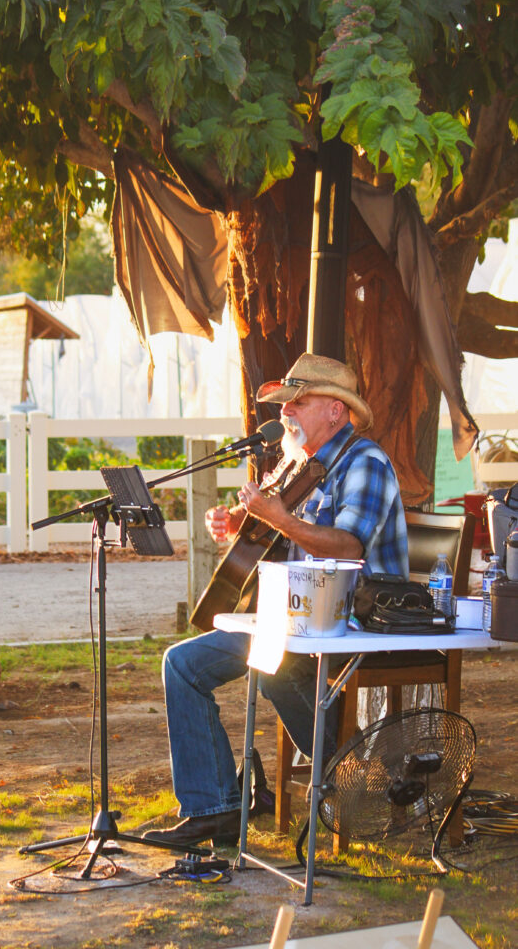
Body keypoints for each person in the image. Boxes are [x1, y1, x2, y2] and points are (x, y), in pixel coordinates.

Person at [144, 353, 409, 847]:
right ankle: (215, 809)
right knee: (181, 664)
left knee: (277, 667)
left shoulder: (366, 463)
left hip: (356, 620)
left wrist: (277, 517)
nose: (285, 412)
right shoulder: (296, 463)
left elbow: (348, 548)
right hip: (293, 617)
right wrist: (235, 526)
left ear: (335, 410)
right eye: (285, 403)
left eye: (298, 402)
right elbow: (270, 538)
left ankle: (347, 779)